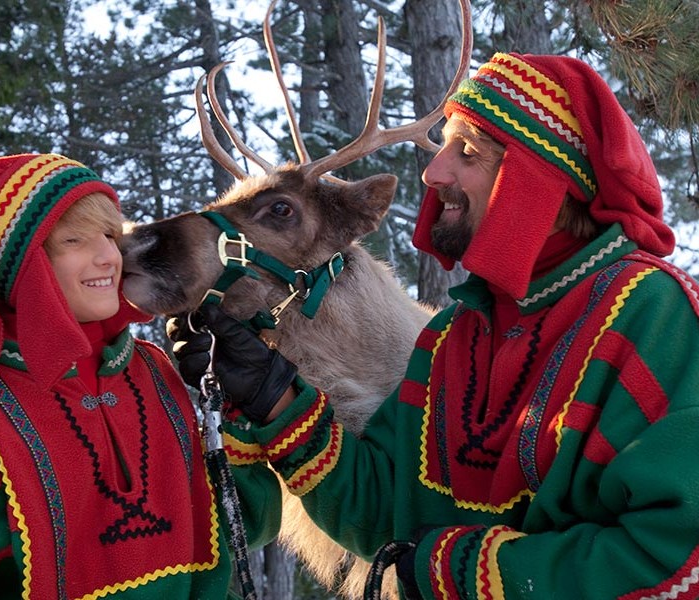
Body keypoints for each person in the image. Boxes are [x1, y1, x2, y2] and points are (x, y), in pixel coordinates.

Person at [170, 53, 699, 599]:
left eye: (466, 152)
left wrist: (460, 569)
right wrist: (274, 396)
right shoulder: (454, 336)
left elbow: (676, 559)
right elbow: (382, 514)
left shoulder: (652, 316)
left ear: (541, 179)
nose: (433, 172)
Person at [0, 153, 280, 599]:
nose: (108, 256)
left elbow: (248, 523)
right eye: (75, 241)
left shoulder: (151, 371)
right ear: (24, 267)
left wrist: (238, 411)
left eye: (109, 234)